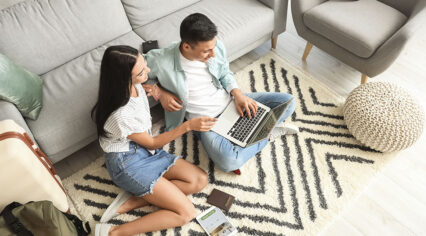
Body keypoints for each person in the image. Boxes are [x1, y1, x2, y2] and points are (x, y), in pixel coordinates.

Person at [143, 13, 298, 174]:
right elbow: (132, 73)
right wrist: (159, 93)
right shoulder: (161, 60)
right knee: (229, 162)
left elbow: (224, 72)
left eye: (213, 47)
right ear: (187, 46)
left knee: (288, 102)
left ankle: (251, 136)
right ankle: (268, 134)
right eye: (207, 51)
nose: (213, 54)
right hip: (207, 123)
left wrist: (238, 95)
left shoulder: (215, 46)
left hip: (231, 103)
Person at [91, 45, 216, 236]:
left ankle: (139, 199)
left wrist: (158, 92)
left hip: (143, 151)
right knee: (186, 213)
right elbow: (151, 143)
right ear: (124, 78)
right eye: (141, 72)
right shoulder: (121, 113)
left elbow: (144, 89)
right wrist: (188, 126)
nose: (148, 71)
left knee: (199, 179)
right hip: (128, 162)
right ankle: (113, 232)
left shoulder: (133, 85)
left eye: (145, 65)